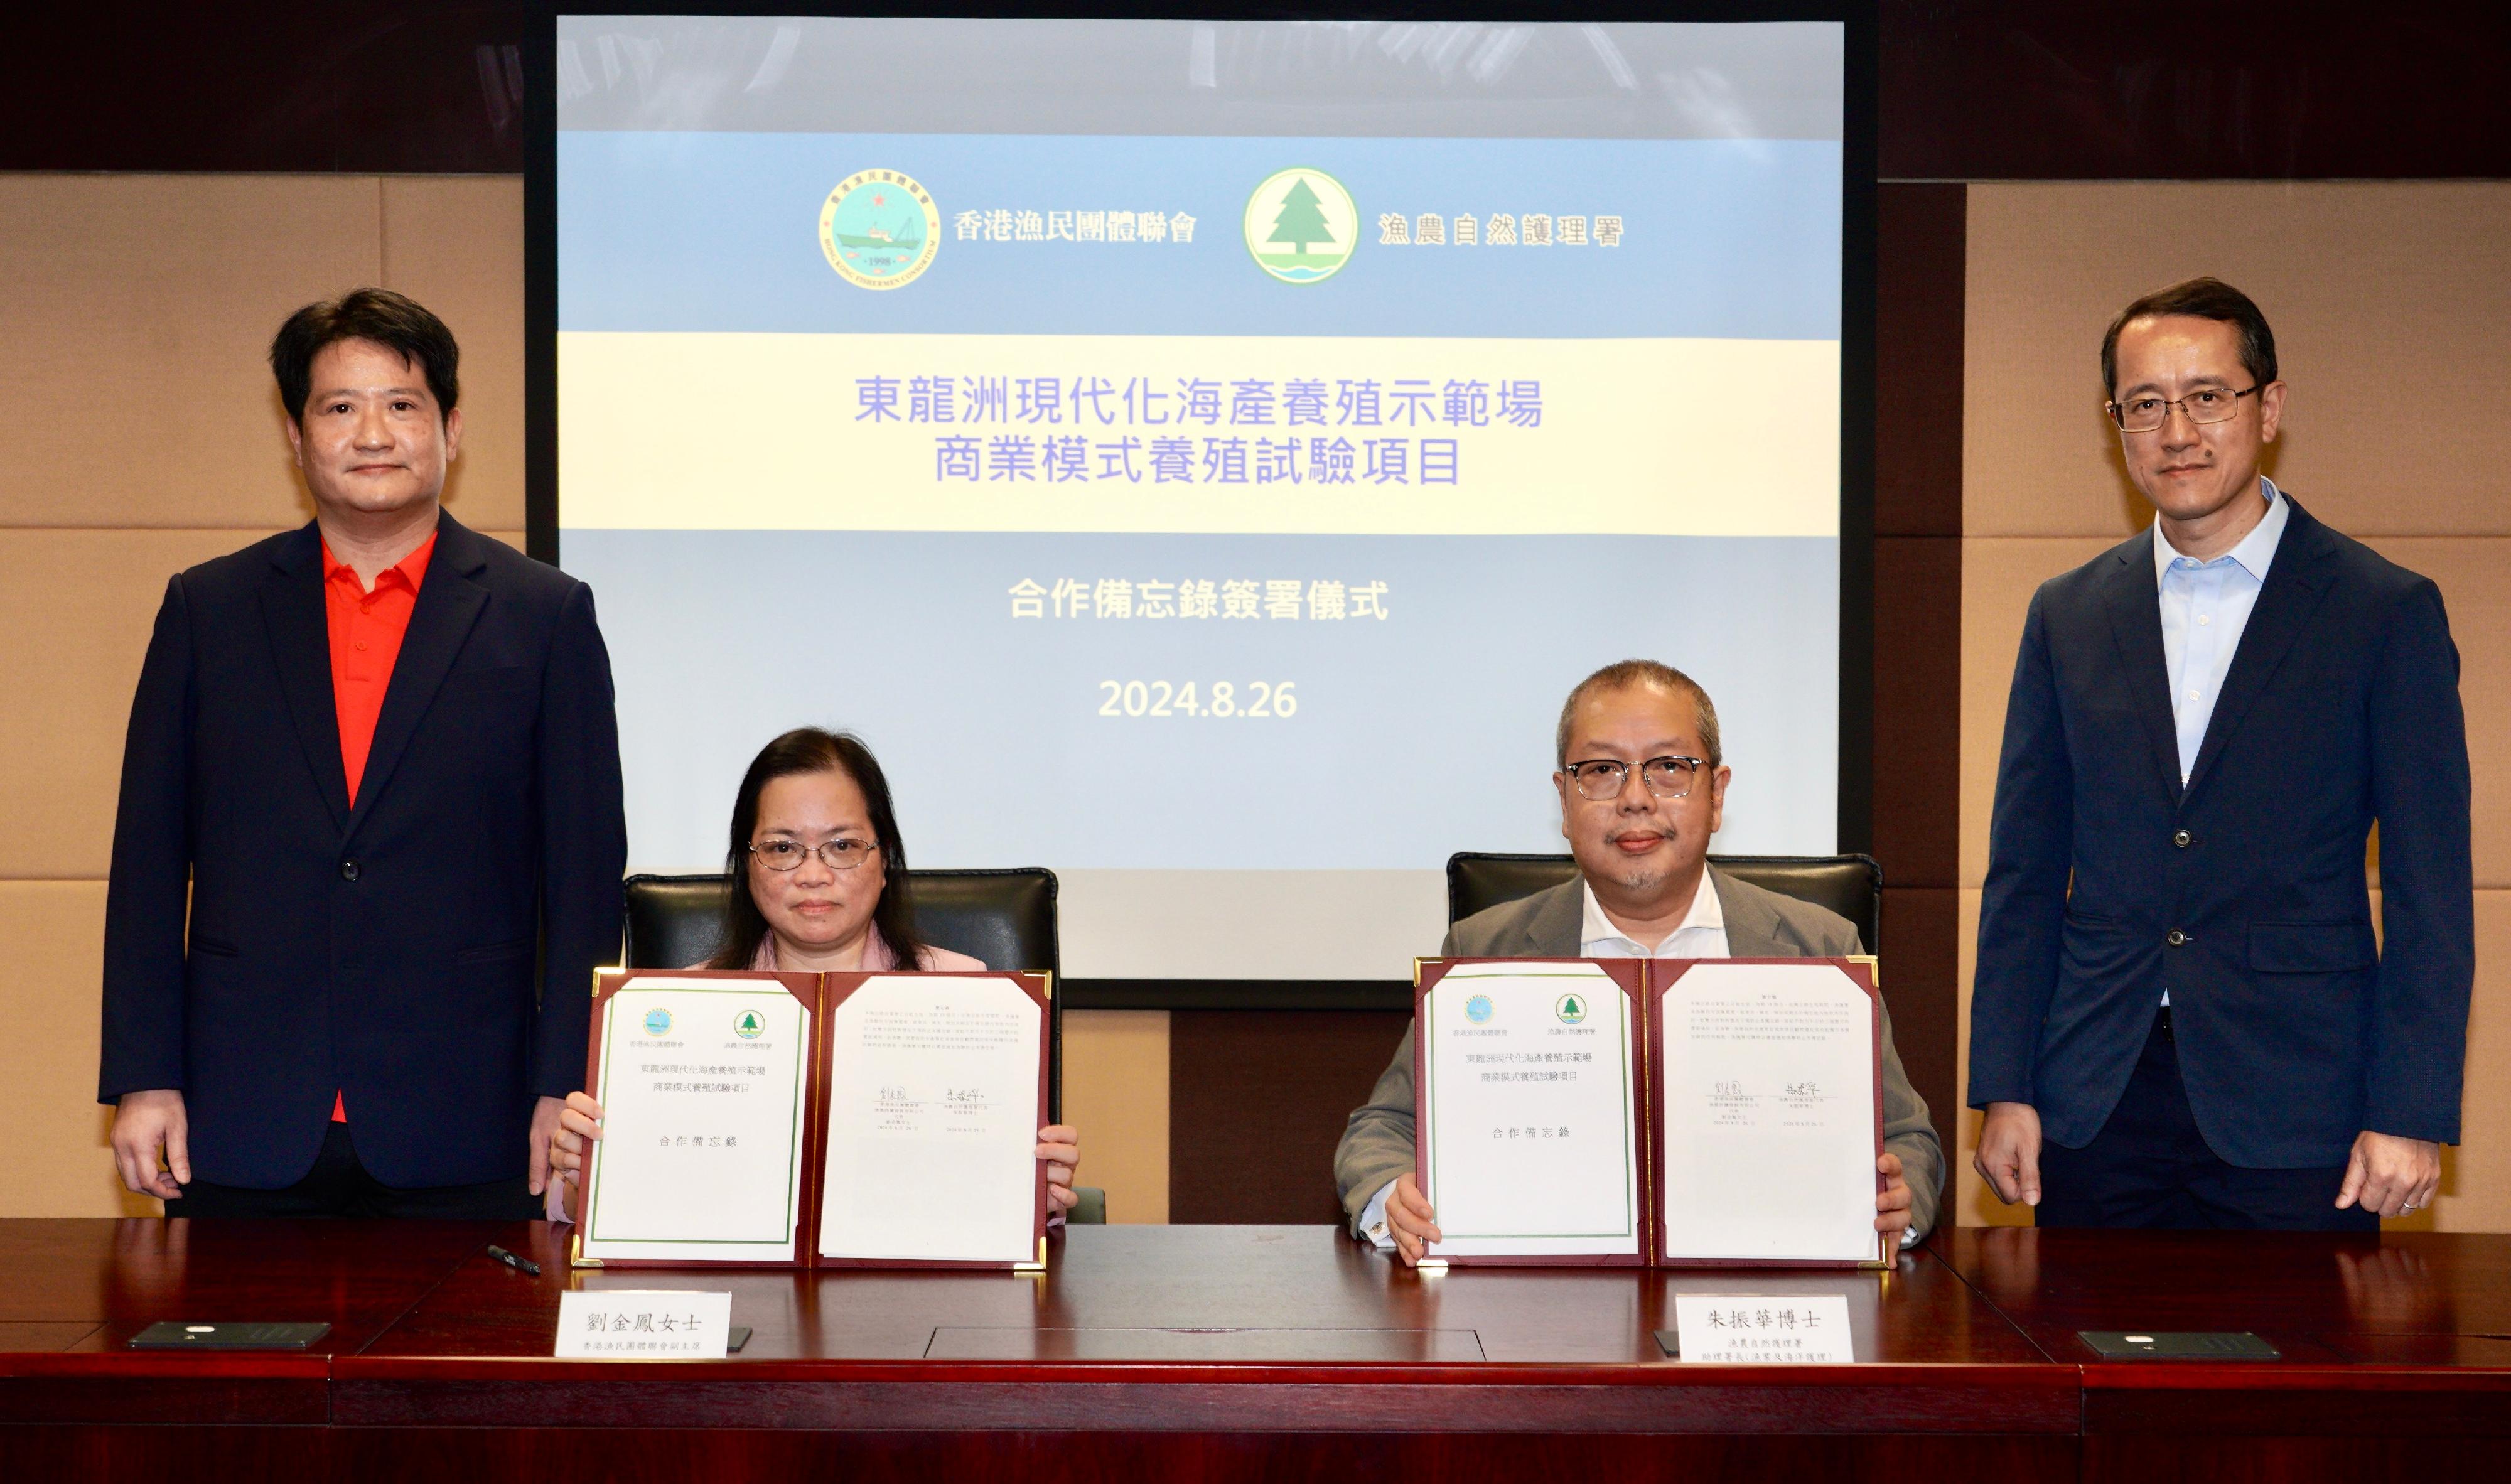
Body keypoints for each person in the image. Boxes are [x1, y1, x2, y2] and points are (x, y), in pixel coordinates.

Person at [99, 288, 626, 1218]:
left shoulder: (544, 615)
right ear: (297, 438)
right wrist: (145, 1077)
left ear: (452, 430)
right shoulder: (209, 610)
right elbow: (147, 861)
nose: (372, 432)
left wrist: (565, 1085)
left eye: (403, 404)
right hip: (241, 1110)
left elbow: (583, 875)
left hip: (473, 1114)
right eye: (340, 407)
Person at [1969, 277, 2472, 1229]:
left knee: (2289, 1374)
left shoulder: (2383, 610)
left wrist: (2408, 1109)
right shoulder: (2067, 613)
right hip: (2094, 1092)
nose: (2177, 431)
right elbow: (2024, 871)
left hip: (2299, 1100)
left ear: (2269, 406)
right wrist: (2006, 1084)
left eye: (2207, 397)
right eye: (2144, 405)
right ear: (2115, 423)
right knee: (2087, 1368)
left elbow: (2429, 885)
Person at [1335, 660, 1944, 1266]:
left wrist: (1897, 1201)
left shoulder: (1819, 944)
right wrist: (1393, 1196)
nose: (1634, 799)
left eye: (1669, 769)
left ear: (1717, 793)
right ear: (1565, 799)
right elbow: (1383, 1129)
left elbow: (1907, 1137)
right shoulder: (1486, 947)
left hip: (1757, 1294)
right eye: (1600, 771)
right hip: (1553, 1308)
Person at [547, 728, 1082, 1216]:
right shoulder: (680, 1009)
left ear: (885, 860)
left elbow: (1014, 1212)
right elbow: (574, 1211)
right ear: (746, 866)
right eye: (782, 848)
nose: (813, 874)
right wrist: (584, 1176)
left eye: (843, 846)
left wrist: (1039, 1186)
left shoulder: (966, 991)